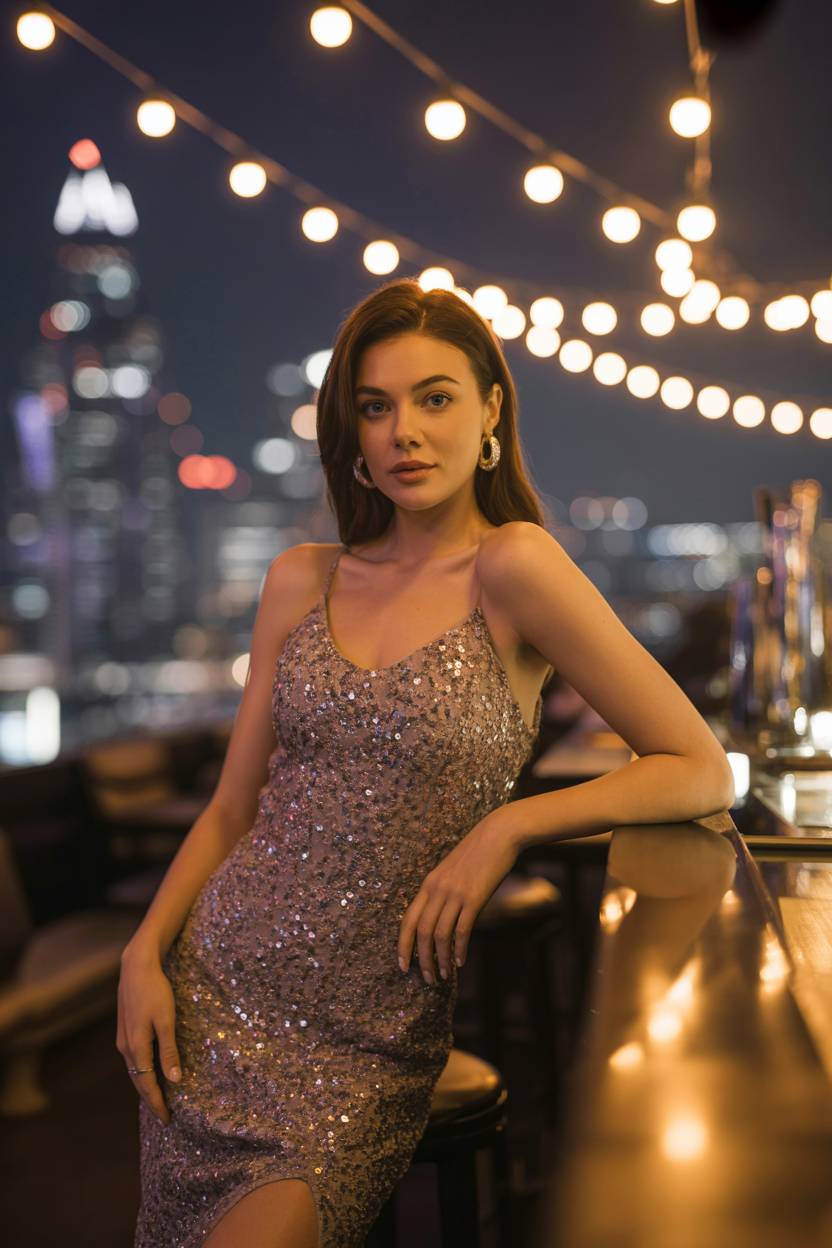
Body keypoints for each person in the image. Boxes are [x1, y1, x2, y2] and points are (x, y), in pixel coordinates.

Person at [118, 280, 734, 1248]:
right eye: (376, 405)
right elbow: (233, 810)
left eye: (435, 398)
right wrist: (143, 951)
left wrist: (508, 824)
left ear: (491, 409)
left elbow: (699, 765)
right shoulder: (298, 579)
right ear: (353, 431)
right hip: (214, 992)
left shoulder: (514, 567)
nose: (403, 430)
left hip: (363, 1039)